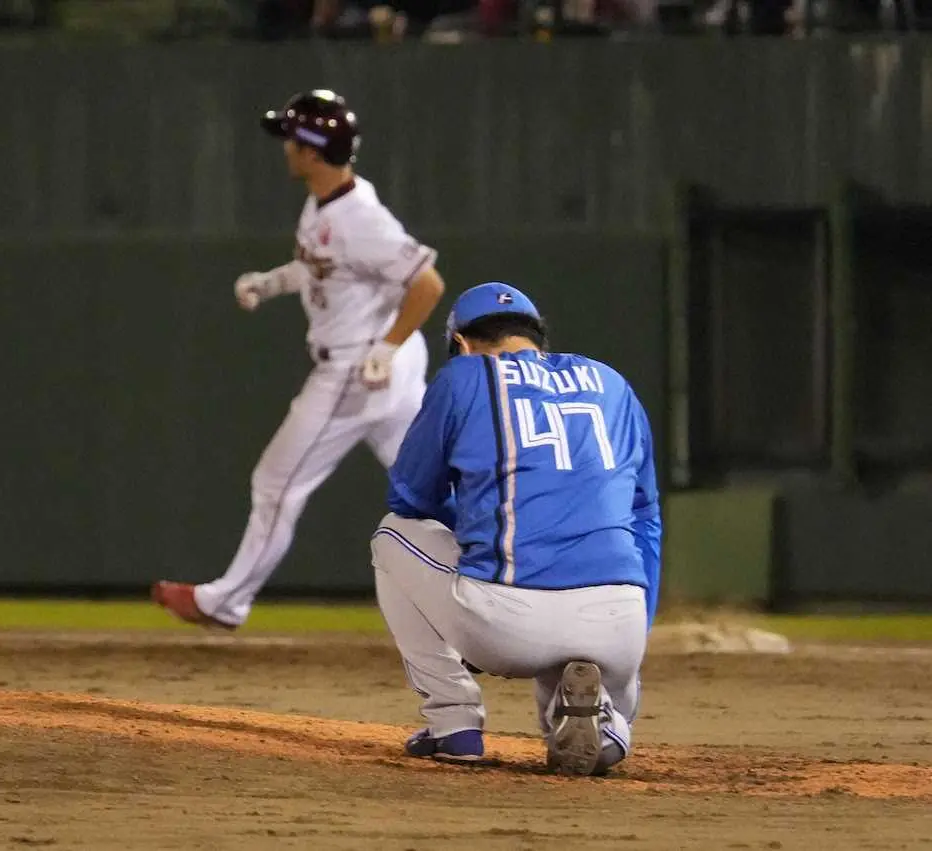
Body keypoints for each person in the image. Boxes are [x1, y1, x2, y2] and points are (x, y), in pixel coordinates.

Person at [154, 90, 446, 630]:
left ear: (311, 151)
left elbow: (427, 284)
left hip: (359, 368)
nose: (285, 147)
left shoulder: (362, 216)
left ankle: (225, 602)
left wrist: (387, 346)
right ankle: (507, 584)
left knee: (275, 482)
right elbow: (319, 266)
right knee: (430, 490)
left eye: (292, 138)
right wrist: (271, 283)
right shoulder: (326, 203)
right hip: (385, 371)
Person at [370, 281, 661, 775]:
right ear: (537, 339)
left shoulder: (465, 376)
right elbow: (646, 520)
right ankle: (608, 727)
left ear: (461, 343)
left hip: (507, 619)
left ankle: (453, 722)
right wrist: (638, 633)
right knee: (584, 660)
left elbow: (410, 498)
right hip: (620, 620)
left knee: (391, 535)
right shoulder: (611, 382)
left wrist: (476, 524)